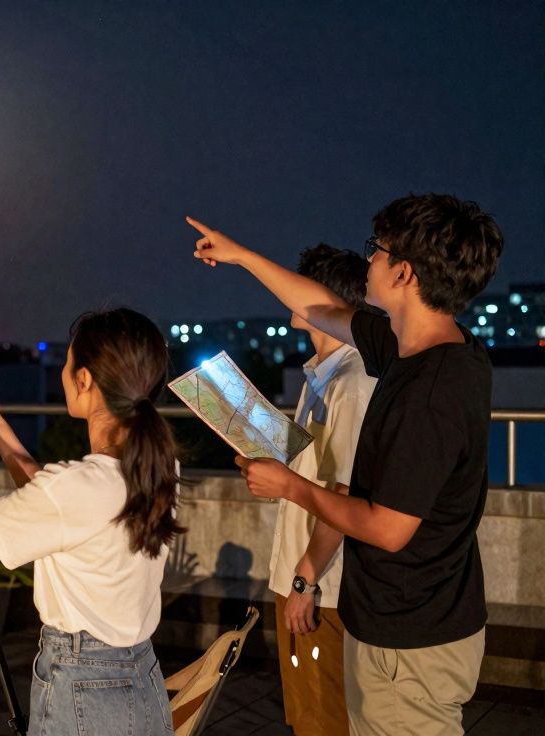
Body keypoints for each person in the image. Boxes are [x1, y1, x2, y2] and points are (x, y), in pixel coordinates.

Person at [187, 192, 503, 735]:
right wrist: (243, 256)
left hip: (410, 640)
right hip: (404, 623)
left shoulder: (429, 393)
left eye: (376, 251)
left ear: (404, 273)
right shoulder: (423, 349)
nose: (369, 261)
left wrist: (292, 487)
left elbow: (388, 528)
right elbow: (321, 308)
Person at [0, 308, 184, 736]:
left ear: (86, 379)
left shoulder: (76, 486)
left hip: (82, 681)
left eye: (68, 363)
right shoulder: (159, 466)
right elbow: (59, 504)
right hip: (141, 673)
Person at [268, 244, 377, 736]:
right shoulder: (321, 374)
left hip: (322, 587)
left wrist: (304, 582)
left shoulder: (351, 382)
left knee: (324, 718)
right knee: (306, 714)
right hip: (303, 576)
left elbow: (345, 488)